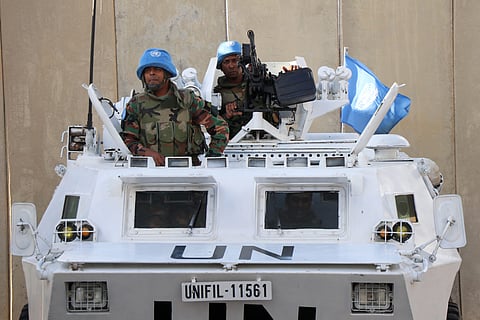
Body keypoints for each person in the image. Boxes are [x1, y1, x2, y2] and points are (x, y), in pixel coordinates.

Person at [122, 48, 229, 166]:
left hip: (190, 172)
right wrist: (147, 153)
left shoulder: (187, 100)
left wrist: (210, 159)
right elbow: (128, 140)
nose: (151, 73)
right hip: (151, 172)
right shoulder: (136, 104)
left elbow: (220, 128)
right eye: (147, 70)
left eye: (157, 69)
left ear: (167, 74)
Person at [213, 40, 279, 137]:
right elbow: (213, 125)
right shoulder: (217, 94)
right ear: (221, 67)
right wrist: (227, 116)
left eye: (235, 60)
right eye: (226, 62)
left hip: (269, 138)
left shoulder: (261, 83)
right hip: (235, 142)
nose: (231, 66)